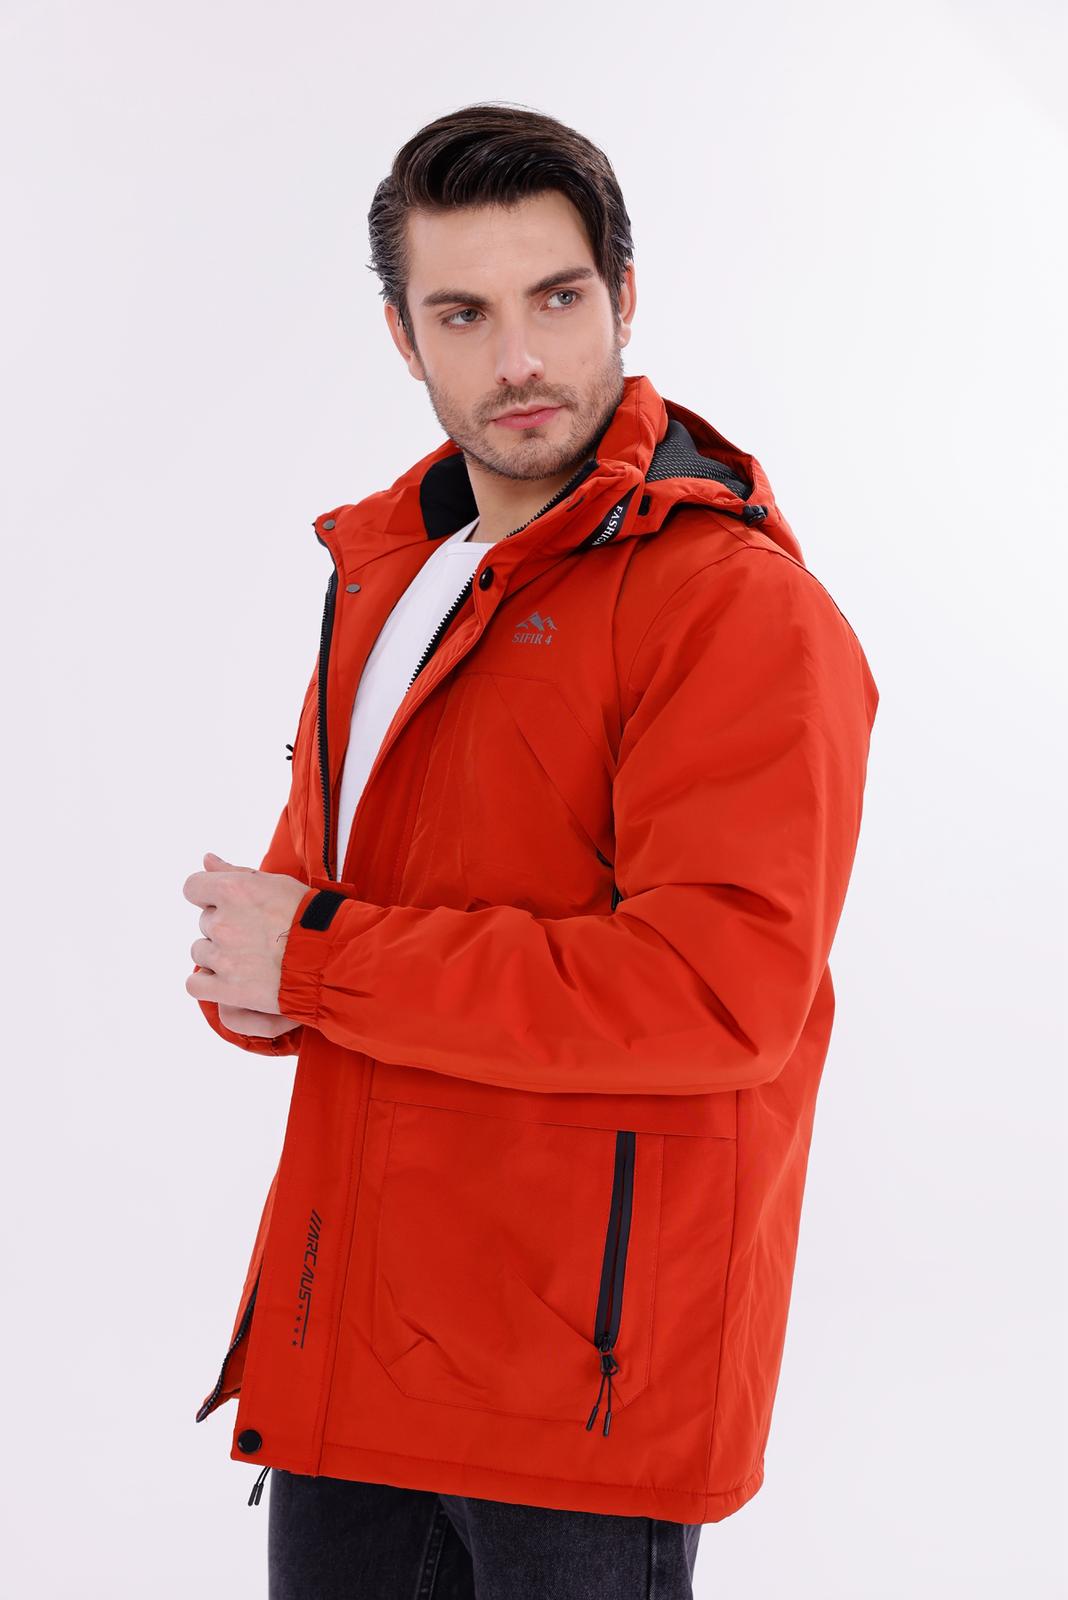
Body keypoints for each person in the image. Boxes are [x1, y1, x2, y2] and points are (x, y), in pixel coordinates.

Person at [183, 100, 880, 1599]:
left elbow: (715, 994)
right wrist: (259, 971)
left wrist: (317, 961)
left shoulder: (733, 608)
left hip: (580, 1388)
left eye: (557, 299)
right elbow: (324, 903)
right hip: (350, 1355)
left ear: (623, 297)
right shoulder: (394, 576)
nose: (519, 359)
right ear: (403, 337)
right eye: (464, 313)